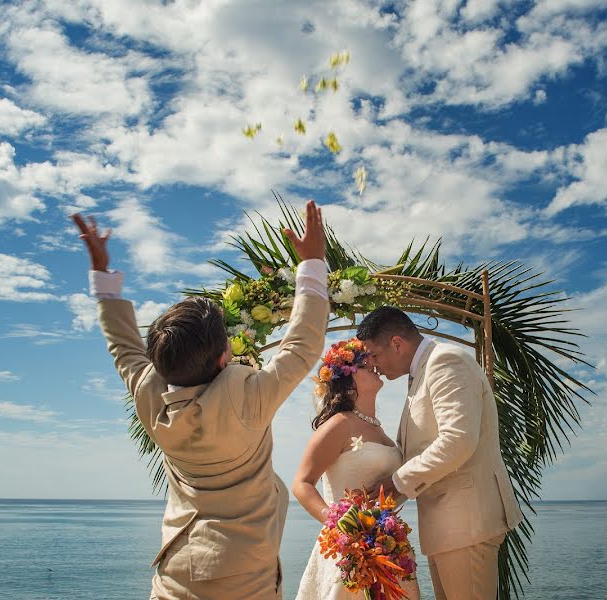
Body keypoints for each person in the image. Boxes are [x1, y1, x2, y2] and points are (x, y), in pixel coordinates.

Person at [73, 200, 329, 599]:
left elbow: (123, 348)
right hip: (244, 578)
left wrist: (102, 278)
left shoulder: (149, 395)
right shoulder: (248, 397)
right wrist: (312, 261)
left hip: (175, 574)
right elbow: (304, 344)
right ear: (224, 357)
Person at [357, 306, 524, 600]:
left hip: (466, 523)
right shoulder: (421, 372)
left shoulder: (446, 362)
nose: (372, 364)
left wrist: (396, 483)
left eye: (373, 354)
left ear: (397, 343)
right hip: (448, 528)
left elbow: (458, 440)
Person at [292, 338, 421, 600]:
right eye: (364, 363)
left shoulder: (381, 430)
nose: (374, 364)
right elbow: (302, 483)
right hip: (347, 551)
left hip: (386, 548)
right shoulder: (339, 424)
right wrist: (340, 525)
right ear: (347, 380)